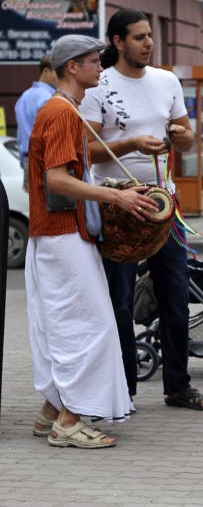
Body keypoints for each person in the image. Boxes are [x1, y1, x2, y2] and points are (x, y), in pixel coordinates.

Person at [80, 9, 203, 411]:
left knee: (175, 297)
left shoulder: (166, 80)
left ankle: (178, 386)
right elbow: (86, 150)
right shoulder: (96, 85)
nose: (148, 43)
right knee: (118, 301)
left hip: (164, 204)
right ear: (118, 42)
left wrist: (181, 136)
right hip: (119, 205)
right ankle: (124, 388)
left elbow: (189, 140)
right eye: (139, 37)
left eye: (150, 36)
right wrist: (131, 144)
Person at [27, 34, 157, 448]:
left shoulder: (63, 108)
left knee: (62, 325)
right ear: (72, 68)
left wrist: (130, 150)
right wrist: (116, 195)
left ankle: (52, 412)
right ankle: (69, 421)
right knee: (91, 327)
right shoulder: (62, 111)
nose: (100, 68)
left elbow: (77, 163)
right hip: (64, 234)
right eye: (92, 61)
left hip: (57, 234)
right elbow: (58, 179)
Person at [14, 55, 58, 191]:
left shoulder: (24, 96)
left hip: (29, 160)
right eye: (57, 71)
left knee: (33, 208)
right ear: (45, 71)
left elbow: (21, 135)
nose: (62, 77)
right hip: (45, 161)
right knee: (53, 209)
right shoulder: (50, 98)